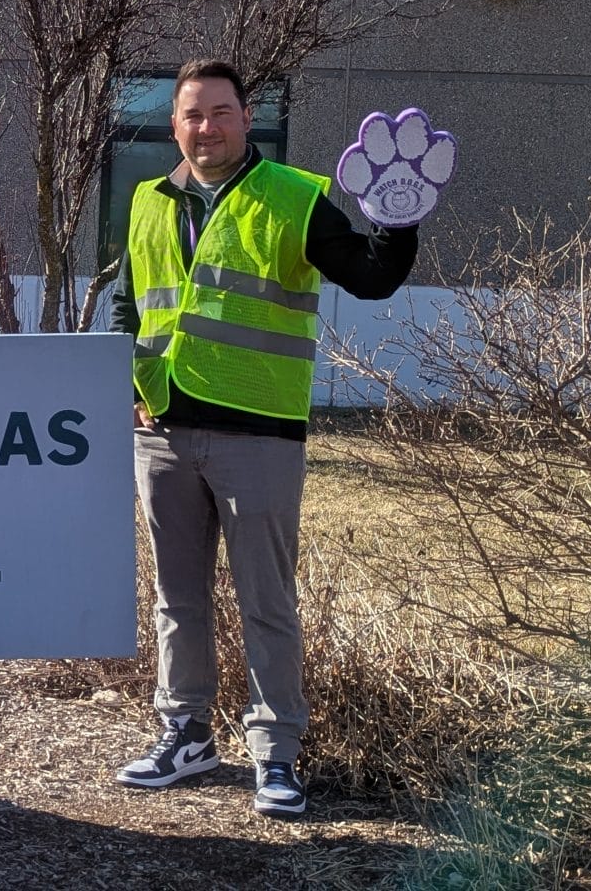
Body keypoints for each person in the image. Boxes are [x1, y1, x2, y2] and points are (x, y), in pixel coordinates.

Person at [109, 60, 417, 818]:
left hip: (259, 438)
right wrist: (128, 388)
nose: (206, 127)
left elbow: (372, 278)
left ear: (248, 118)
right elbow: (129, 305)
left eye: (220, 112)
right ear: (174, 124)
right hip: (165, 433)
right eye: (191, 115)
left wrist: (399, 217)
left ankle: (276, 756)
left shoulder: (293, 198)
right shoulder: (149, 201)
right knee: (177, 600)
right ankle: (185, 734)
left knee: (266, 602)